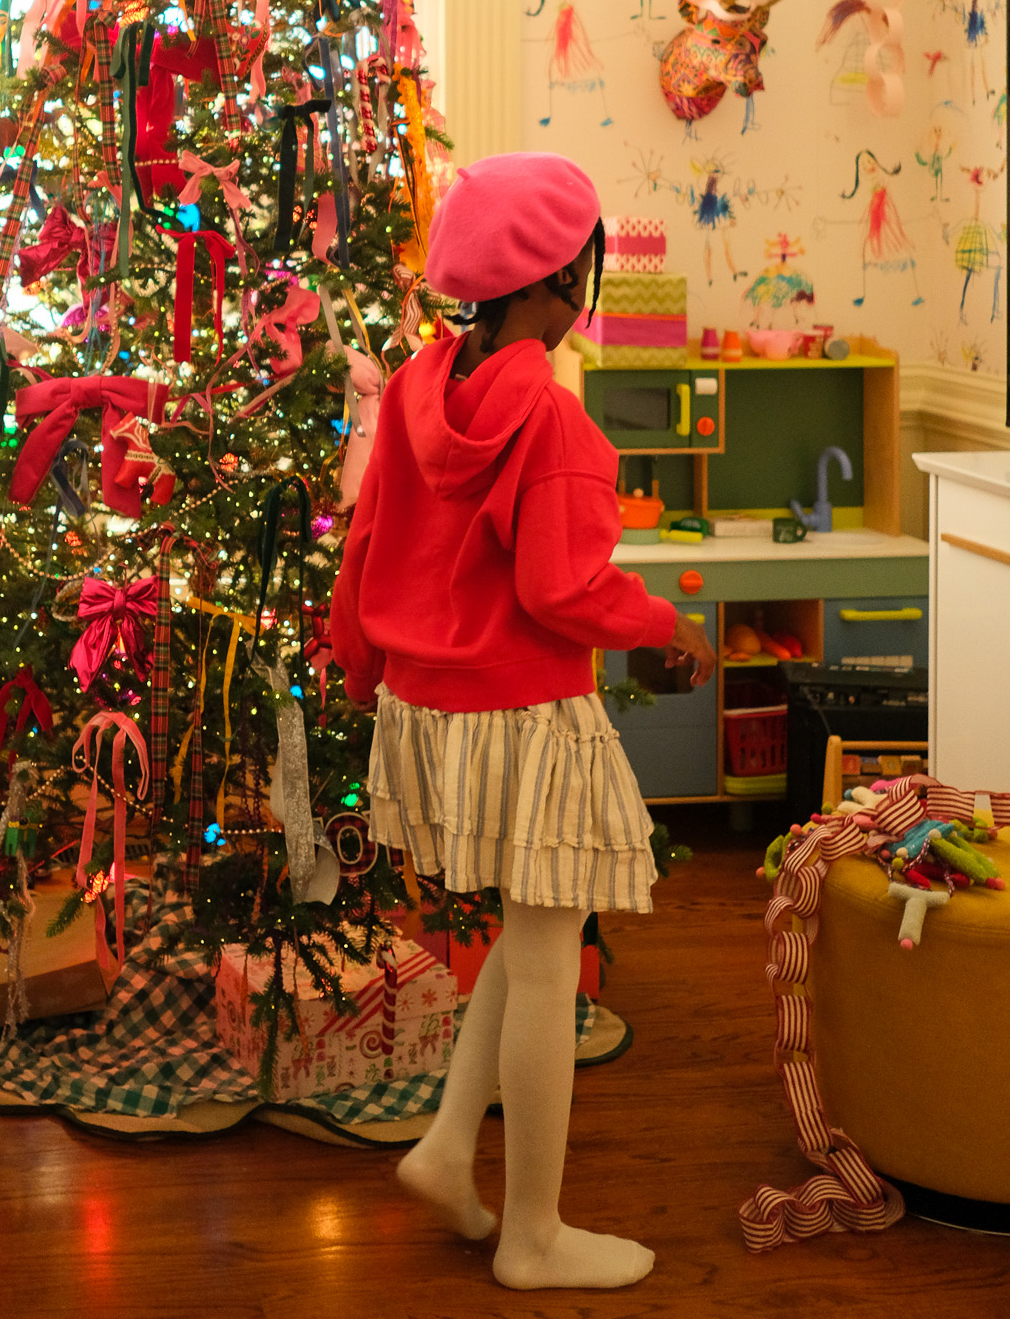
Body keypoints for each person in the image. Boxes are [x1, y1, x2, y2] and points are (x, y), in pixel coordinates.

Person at [330, 150, 717, 1291]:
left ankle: (451, 1149)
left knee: (526, 926)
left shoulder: (412, 386)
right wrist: (667, 626)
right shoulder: (549, 421)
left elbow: (365, 545)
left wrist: (364, 670)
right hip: (524, 711)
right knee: (552, 955)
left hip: (430, 703)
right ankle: (534, 1235)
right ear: (559, 280)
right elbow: (561, 589)